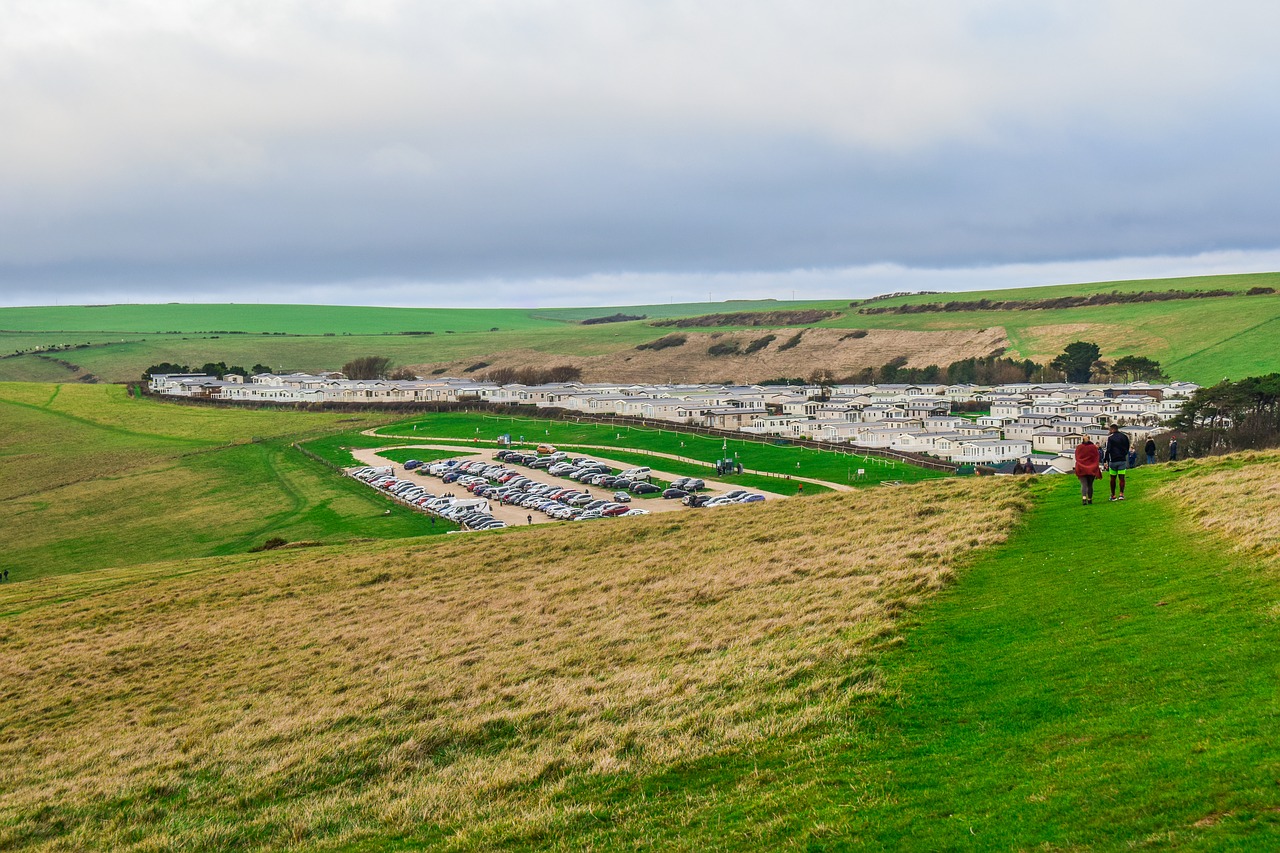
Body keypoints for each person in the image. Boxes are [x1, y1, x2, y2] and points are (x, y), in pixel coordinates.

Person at [1104, 423, 1131, 501]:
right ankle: (1121, 494)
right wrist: (1124, 455)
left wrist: (1105, 460)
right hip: (1122, 460)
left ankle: (1113, 495)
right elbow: (1127, 447)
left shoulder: (1110, 438)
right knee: (1121, 478)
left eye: (1109, 430)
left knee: (1113, 478)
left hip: (1113, 460)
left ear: (1112, 429)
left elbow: (1108, 449)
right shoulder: (1124, 437)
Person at [1074, 436, 1103, 505]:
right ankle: (1089, 499)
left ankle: (1084, 498)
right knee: (1090, 485)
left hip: (1081, 468)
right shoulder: (1093, 447)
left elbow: (1077, 457)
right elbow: (1096, 457)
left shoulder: (1079, 447)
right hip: (1092, 468)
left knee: (1084, 484)